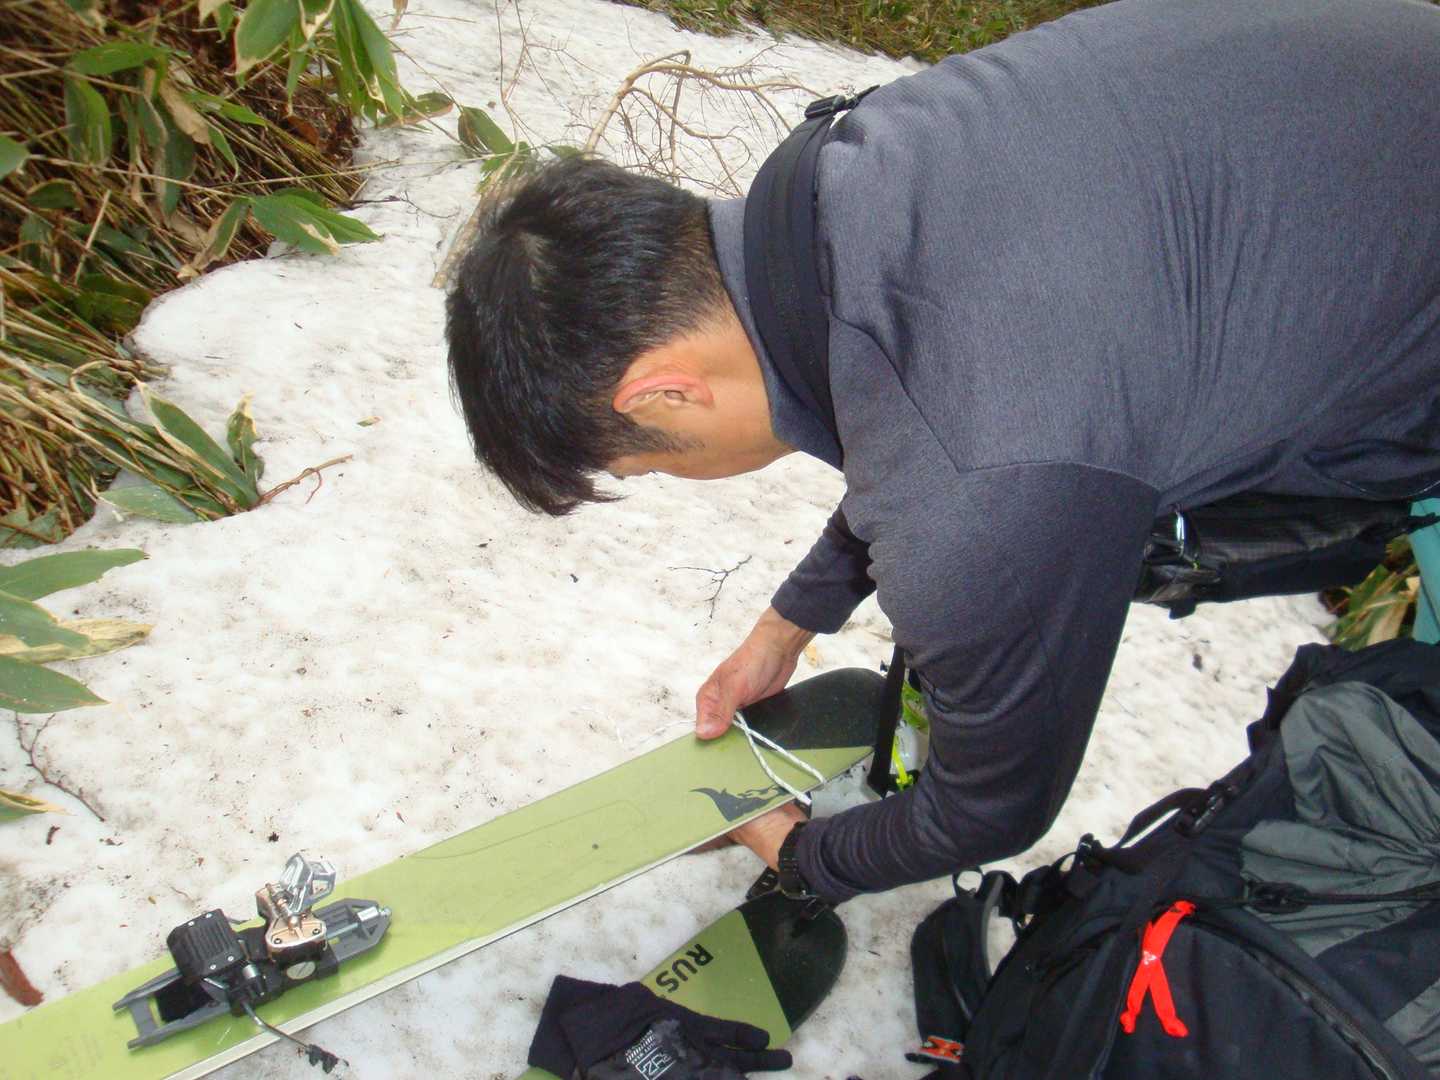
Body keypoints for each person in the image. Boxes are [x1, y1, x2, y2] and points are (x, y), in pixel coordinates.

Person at [444, 0, 1440, 905]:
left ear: (666, 392)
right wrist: (791, 621)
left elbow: (993, 806)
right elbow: (926, 406)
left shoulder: (978, 484)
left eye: (647, 464)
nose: (675, 477)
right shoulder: (863, 158)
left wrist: (800, 855)